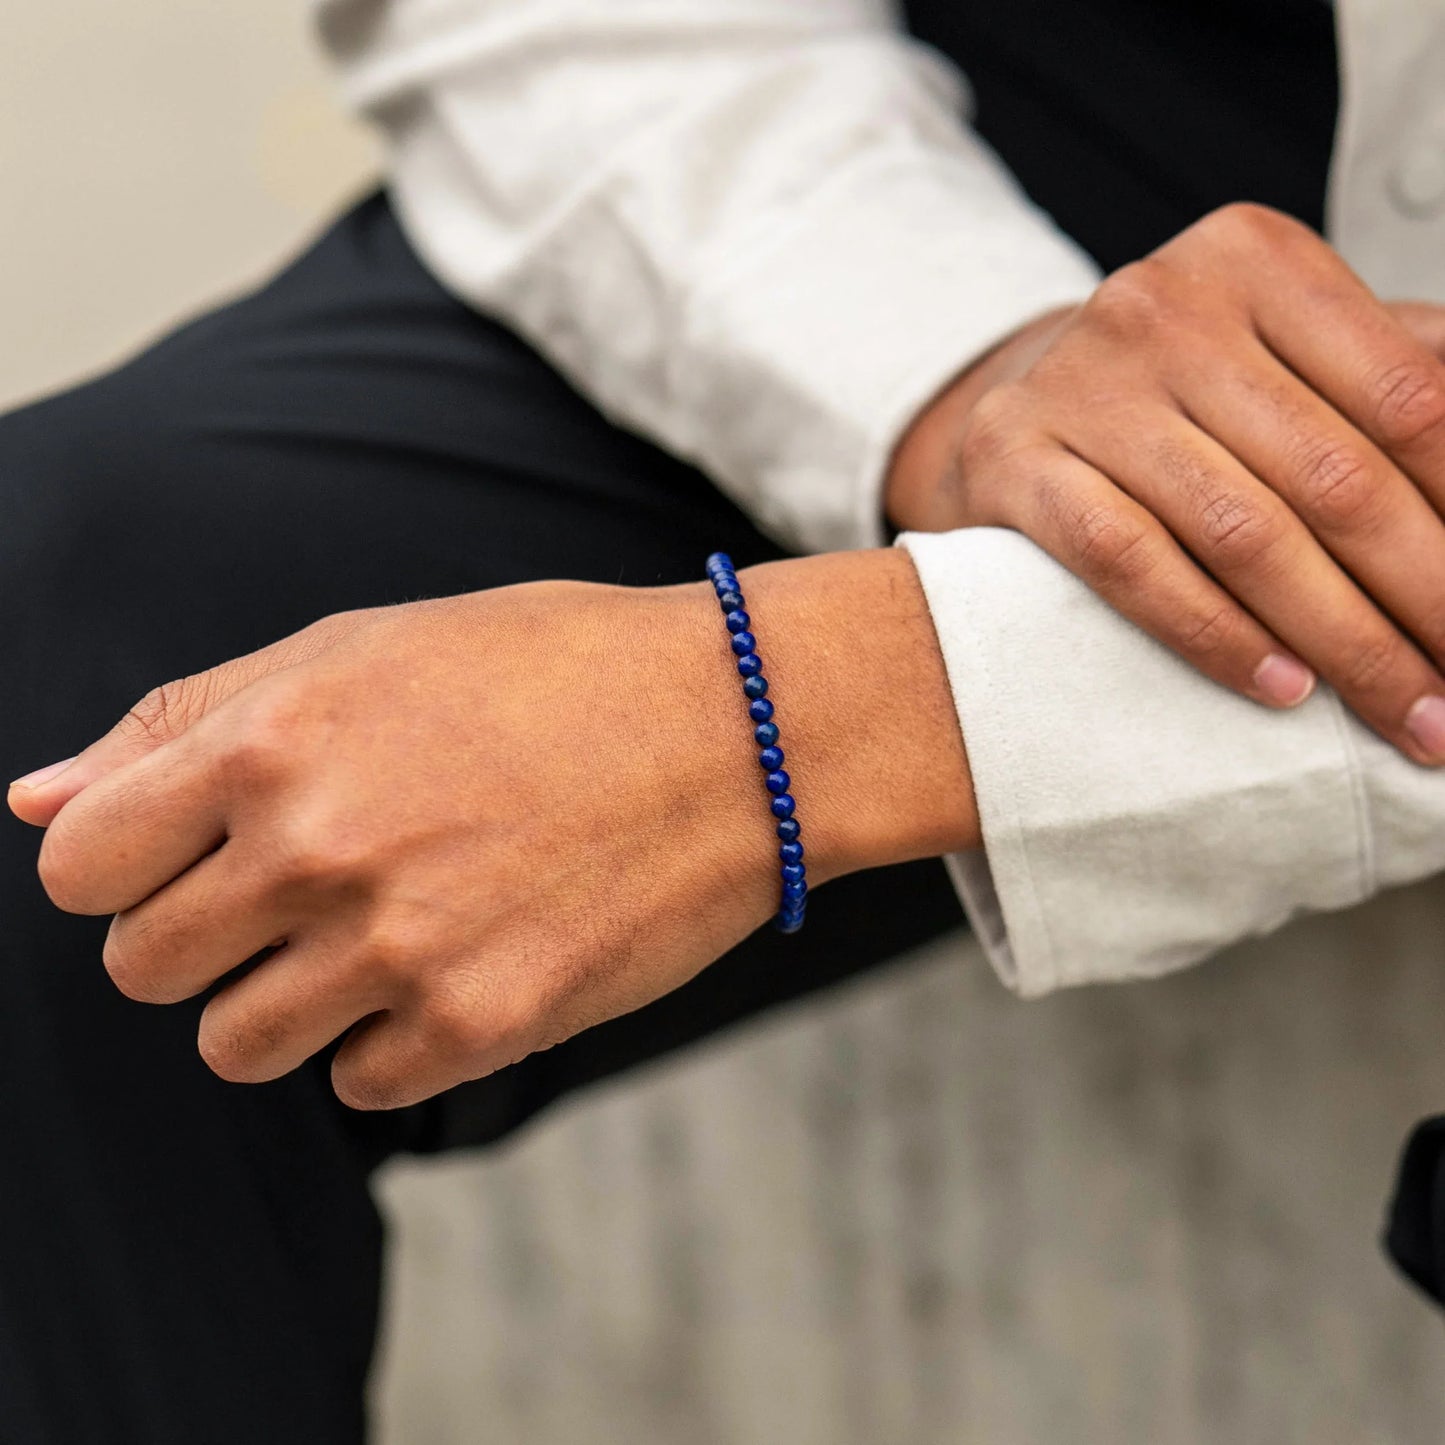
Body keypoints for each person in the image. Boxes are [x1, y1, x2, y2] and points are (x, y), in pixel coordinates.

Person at [4, 0, 1445, 1438]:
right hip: (969, 156)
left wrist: (830, 701)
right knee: (105, 739)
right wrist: (965, 376)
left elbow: (822, 704)